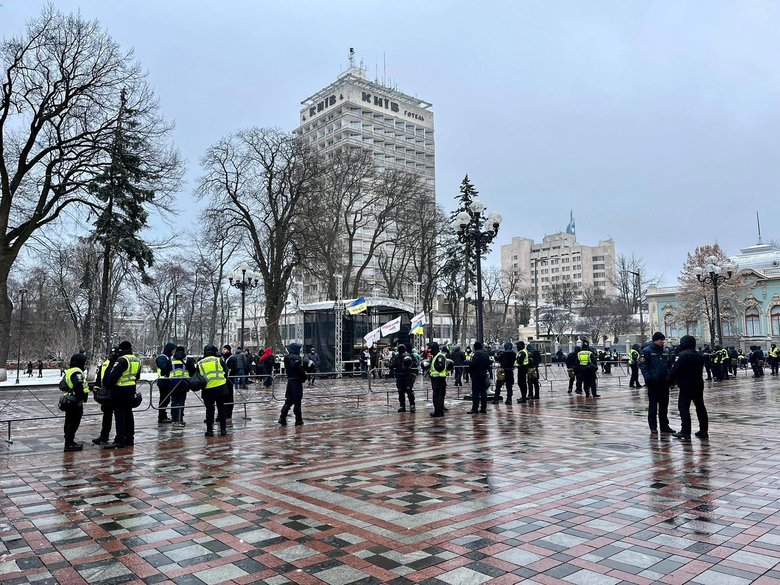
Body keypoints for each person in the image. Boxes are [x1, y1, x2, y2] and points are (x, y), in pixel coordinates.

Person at [668, 335, 708, 442]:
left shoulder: (682, 355)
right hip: (698, 383)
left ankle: (685, 431)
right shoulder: (699, 355)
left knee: (684, 407)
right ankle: (704, 430)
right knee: (700, 407)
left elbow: (675, 370)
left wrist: (669, 381)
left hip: (686, 384)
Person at [102, 340, 141, 449]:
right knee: (129, 413)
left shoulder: (122, 360)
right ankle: (129, 438)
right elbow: (137, 376)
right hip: (131, 389)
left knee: (119, 415)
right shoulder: (136, 360)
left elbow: (114, 376)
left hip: (120, 390)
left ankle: (119, 439)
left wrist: (108, 386)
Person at [639, 332, 675, 435]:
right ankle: (653, 426)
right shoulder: (647, 351)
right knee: (653, 406)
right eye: (661, 340)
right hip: (653, 383)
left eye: (663, 340)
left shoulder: (664, 351)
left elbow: (668, 366)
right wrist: (648, 378)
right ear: (655, 340)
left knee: (664, 406)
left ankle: (664, 426)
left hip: (664, 383)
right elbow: (642, 365)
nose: (663, 342)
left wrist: (671, 379)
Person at [196, 345, 229, 437]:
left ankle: (209, 430)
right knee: (221, 409)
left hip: (207, 389)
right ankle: (223, 430)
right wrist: (223, 380)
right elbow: (226, 371)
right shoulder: (219, 360)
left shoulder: (200, 362)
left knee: (209, 410)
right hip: (221, 387)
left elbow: (198, 376)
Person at [61, 353, 89, 451]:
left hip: (69, 400)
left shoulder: (69, 371)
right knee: (73, 422)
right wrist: (81, 399)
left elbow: (62, 385)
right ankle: (69, 443)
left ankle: (68, 441)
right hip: (75, 402)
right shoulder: (77, 372)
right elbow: (78, 387)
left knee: (69, 421)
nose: (85, 365)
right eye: (84, 363)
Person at [92, 346, 118, 446]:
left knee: (118, 415)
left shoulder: (119, 363)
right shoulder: (105, 363)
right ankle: (104, 436)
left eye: (114, 353)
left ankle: (120, 436)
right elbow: (100, 377)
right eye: (111, 353)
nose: (112, 355)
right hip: (106, 393)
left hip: (116, 392)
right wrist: (96, 386)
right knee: (107, 415)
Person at [279, 343, 308, 426]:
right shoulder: (296, 358)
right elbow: (300, 370)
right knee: (297, 402)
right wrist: (304, 377)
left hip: (290, 381)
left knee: (288, 401)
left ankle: (282, 417)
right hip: (296, 382)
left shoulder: (287, 357)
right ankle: (298, 420)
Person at [170, 346, 194, 429]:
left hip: (173, 382)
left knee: (174, 401)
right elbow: (192, 371)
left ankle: (173, 419)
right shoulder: (188, 359)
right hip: (184, 382)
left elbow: (164, 370)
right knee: (181, 401)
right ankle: (180, 418)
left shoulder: (171, 359)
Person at [155, 342, 177, 424]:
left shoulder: (168, 358)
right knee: (164, 400)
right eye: (173, 350)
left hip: (166, 381)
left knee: (166, 400)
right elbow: (164, 368)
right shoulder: (162, 358)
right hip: (163, 381)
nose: (174, 352)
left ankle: (163, 415)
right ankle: (161, 417)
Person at [427, 341, 449, 418]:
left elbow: (440, 367)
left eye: (431, 349)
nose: (430, 351)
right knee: (437, 396)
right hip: (436, 379)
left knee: (438, 397)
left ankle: (438, 412)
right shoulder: (435, 357)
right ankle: (439, 411)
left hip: (439, 379)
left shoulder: (439, 357)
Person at [468, 341, 491, 414]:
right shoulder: (486, 353)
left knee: (475, 392)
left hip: (476, 374)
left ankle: (475, 408)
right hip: (483, 374)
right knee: (483, 392)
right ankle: (483, 408)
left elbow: (474, 364)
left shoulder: (476, 354)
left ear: (475, 347)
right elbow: (488, 364)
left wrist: (470, 370)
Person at [392, 344, 416, 413]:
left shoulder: (409, 356)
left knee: (409, 390)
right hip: (400, 376)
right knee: (401, 391)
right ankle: (403, 406)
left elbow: (414, 363)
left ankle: (411, 405)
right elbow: (393, 364)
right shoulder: (397, 356)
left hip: (407, 375)